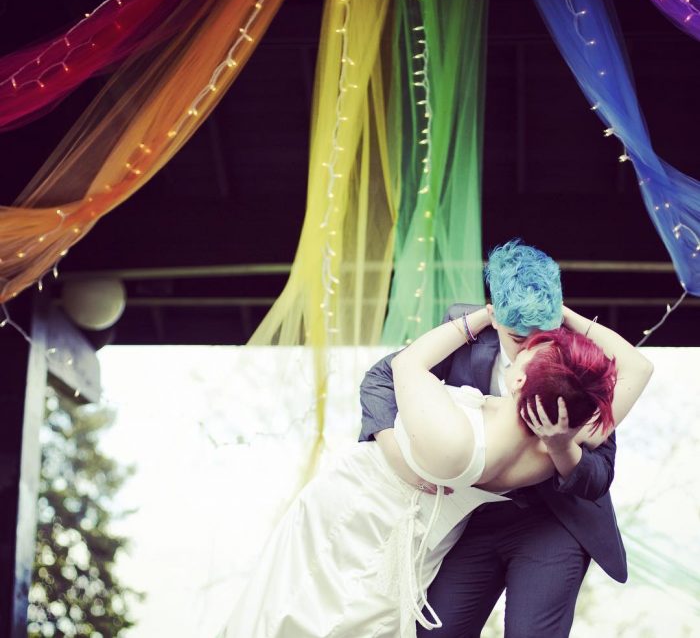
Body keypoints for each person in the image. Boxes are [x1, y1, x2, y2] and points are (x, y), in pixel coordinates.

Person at [216, 300, 652, 637]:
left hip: (379, 506)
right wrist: (391, 444)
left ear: (519, 380)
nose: (534, 343)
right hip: (409, 521)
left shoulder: (456, 440)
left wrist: (481, 317)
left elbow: (403, 366)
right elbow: (639, 366)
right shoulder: (572, 427)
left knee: (301, 610)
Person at [359, 240, 653, 637]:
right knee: (434, 632)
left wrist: (561, 447)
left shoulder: (579, 357)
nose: (534, 345)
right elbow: (384, 377)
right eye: (518, 336)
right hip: (470, 519)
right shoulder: (462, 332)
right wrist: (394, 453)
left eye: (545, 332)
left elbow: (597, 477)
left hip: (553, 520)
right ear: (494, 316)